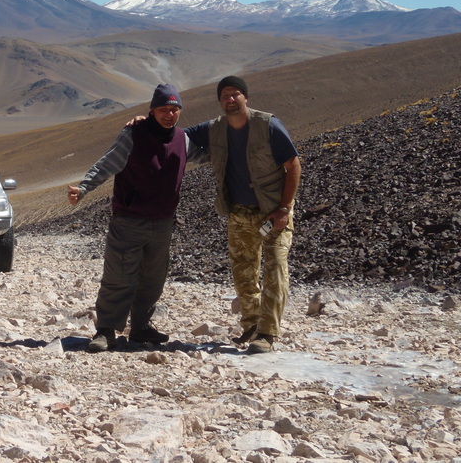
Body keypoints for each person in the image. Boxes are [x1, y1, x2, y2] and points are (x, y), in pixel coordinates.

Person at [68, 83, 193, 352]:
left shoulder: (183, 138)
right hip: (129, 220)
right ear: (151, 111)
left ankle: (140, 328)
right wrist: (85, 187)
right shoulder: (134, 133)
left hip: (162, 223)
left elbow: (213, 142)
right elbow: (108, 162)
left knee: (153, 278)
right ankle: (106, 330)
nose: (169, 115)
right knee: (119, 275)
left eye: (174, 109)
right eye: (163, 109)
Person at [185, 75, 301, 354]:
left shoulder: (268, 125)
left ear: (246, 97)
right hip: (239, 211)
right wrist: (144, 123)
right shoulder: (214, 129)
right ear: (219, 101)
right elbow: (179, 136)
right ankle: (251, 323)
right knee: (243, 271)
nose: (230, 99)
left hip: (273, 211)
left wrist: (284, 209)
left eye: (236, 94)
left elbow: (293, 165)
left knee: (275, 268)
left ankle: (267, 333)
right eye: (225, 95)